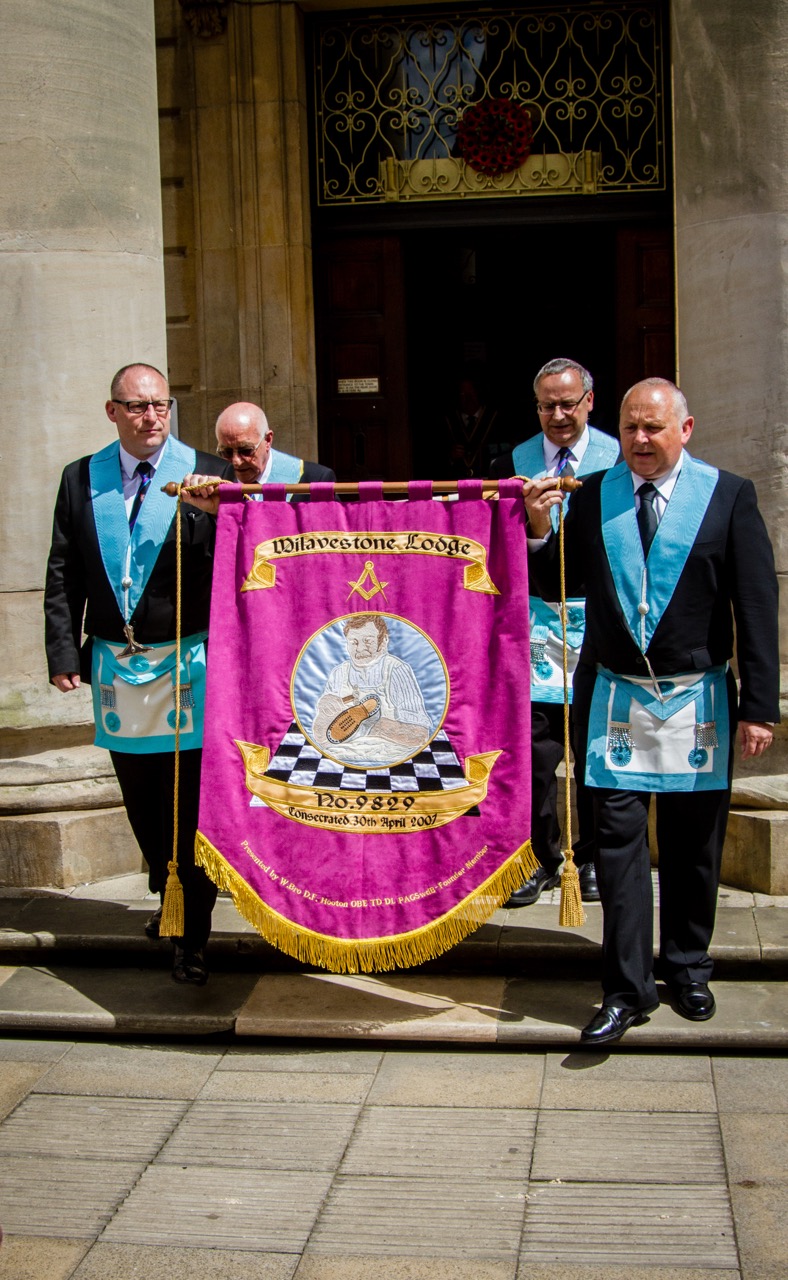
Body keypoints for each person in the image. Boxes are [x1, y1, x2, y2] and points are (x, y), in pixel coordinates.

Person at [525, 377, 779, 1045]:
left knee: (695, 846)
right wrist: (538, 527)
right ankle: (625, 989)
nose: (639, 439)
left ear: (684, 430)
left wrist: (760, 706)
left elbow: (756, 605)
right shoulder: (593, 494)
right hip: (615, 699)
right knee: (617, 849)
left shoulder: (728, 496)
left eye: (653, 427)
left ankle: (688, 966)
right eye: (630, 426)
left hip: (698, 699)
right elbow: (557, 579)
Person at [45, 363, 232, 986]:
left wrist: (217, 513)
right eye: (137, 406)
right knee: (143, 803)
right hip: (115, 666)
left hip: (188, 662)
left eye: (160, 405)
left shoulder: (207, 470)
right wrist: (62, 652)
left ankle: (192, 935)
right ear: (113, 411)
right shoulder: (81, 477)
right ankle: (166, 890)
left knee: (187, 805)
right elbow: (63, 570)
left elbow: (244, 561)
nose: (151, 417)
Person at [491, 358, 619, 906]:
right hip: (534, 628)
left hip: (599, 624)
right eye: (548, 406)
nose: (559, 415)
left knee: (594, 748)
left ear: (589, 401)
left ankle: (591, 856)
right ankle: (539, 856)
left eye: (568, 404)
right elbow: (494, 544)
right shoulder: (510, 463)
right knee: (534, 753)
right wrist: (533, 527)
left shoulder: (620, 460)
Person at [312, 615, 431, 764]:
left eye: (368, 641)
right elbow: (321, 737)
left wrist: (364, 725)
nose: (360, 649)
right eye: (354, 642)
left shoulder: (396, 670)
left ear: (384, 641)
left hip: (390, 760)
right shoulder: (339, 673)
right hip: (341, 759)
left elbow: (420, 735)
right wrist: (324, 714)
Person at [214, 401, 335, 490]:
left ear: (267, 440)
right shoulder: (215, 482)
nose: (236, 461)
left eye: (245, 450)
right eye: (227, 452)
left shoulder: (314, 481)